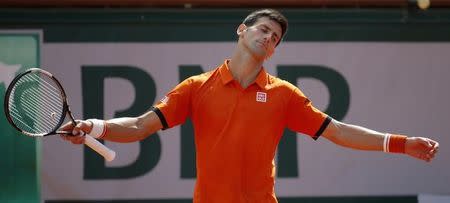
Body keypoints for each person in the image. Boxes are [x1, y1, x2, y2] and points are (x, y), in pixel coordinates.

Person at [61, 8, 439, 203]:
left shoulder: (284, 95)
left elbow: (338, 131)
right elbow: (142, 125)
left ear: (275, 50)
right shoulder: (195, 87)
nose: (268, 38)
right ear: (242, 30)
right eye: (262, 29)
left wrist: (400, 143)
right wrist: (95, 127)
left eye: (274, 38)